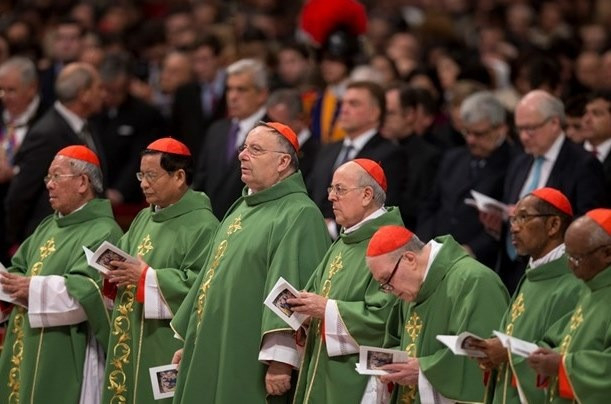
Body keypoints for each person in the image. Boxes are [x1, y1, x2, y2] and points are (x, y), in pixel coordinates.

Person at [171, 122, 330, 403]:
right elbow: (210, 278)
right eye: (244, 148)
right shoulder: (242, 207)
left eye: (255, 150)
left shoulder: (298, 213)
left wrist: (281, 360)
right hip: (214, 343)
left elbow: (291, 288)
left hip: (249, 356)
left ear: (283, 162)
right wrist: (194, 341)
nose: (242, 155)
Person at [0, 145, 123, 404]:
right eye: (48, 177)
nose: (49, 184)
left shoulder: (105, 231)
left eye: (56, 176)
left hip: (70, 347)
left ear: (82, 182)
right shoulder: (48, 225)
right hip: (27, 341)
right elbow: (18, 268)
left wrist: (32, 289)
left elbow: (91, 291)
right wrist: (7, 288)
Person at [101, 138, 218, 404]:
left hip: (165, 340)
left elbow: (201, 289)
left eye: (151, 175)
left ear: (179, 177)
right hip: (129, 332)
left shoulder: (204, 225)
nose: (143, 183)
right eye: (141, 175)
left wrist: (147, 278)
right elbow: (125, 262)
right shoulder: (144, 217)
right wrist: (111, 273)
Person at [289, 159, 402, 403]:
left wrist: (326, 309)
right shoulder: (346, 239)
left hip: (356, 376)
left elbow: (385, 319)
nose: (331, 197)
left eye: (340, 189)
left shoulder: (391, 245)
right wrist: (305, 314)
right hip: (322, 365)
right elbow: (317, 295)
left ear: (367, 195)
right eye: (331, 188)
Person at [365, 225, 509, 403]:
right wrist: (388, 363)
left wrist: (424, 370)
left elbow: (481, 359)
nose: (389, 290)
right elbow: (398, 341)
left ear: (409, 259)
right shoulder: (412, 286)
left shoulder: (474, 281)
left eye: (387, 279)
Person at [484, 90, 607, 292]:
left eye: (531, 128)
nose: (524, 136)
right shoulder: (519, 162)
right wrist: (499, 224)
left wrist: (538, 224)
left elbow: (588, 223)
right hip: (512, 268)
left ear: (554, 123)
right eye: (520, 129)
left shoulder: (583, 163)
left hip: (558, 273)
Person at [471, 187, 584, 403]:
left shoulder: (574, 282)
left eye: (523, 217)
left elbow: (566, 353)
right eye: (513, 219)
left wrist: (508, 352)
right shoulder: (531, 276)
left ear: (553, 225)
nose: (513, 228)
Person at [5, 62, 105, 248]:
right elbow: (20, 195)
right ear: (84, 94)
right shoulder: (46, 133)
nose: (103, 94)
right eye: (99, 88)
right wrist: (15, 244)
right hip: (49, 241)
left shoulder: (88, 125)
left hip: (83, 234)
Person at [418, 91, 516, 269]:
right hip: (434, 252)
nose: (470, 140)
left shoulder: (514, 164)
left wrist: (472, 249)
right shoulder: (453, 158)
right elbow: (431, 205)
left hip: (478, 262)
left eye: (479, 134)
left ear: (501, 129)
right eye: (466, 132)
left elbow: (505, 224)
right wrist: (423, 242)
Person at [528, 208, 611, 402]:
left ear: (607, 253)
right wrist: (550, 354)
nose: (570, 265)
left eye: (576, 258)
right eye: (568, 256)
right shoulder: (589, 287)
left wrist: (562, 365)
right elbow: (570, 339)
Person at [307, 81, 404, 233]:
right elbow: (310, 193)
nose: (344, 109)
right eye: (343, 103)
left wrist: (331, 228)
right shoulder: (328, 150)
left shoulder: (391, 155)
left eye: (354, 104)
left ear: (374, 113)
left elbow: (380, 207)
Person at [192, 58, 269, 219]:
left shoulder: (273, 133)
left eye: (241, 89)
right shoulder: (216, 130)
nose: (233, 96)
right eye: (229, 89)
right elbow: (201, 182)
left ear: (261, 94)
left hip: (251, 223)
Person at [0, 56, 47, 261]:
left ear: (31, 88)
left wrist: (14, 172)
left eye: (11, 90)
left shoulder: (47, 118)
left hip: (29, 220)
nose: (4, 96)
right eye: (1, 90)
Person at [381, 84, 440, 228]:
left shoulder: (429, 157)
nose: (383, 119)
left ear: (409, 115)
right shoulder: (376, 149)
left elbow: (421, 209)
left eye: (390, 113)